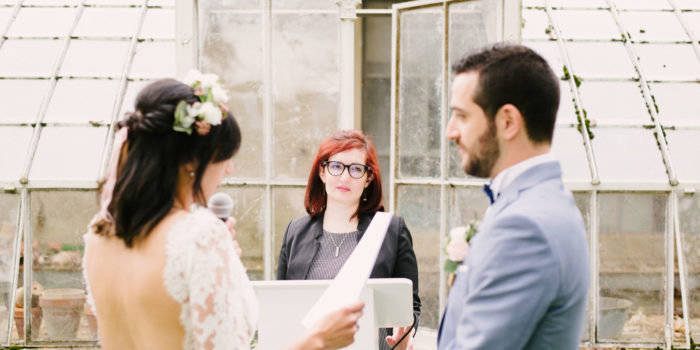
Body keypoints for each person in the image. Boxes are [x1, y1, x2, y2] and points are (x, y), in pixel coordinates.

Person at [83, 73, 364, 350]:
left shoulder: (99, 234)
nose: (229, 168)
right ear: (191, 160)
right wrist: (318, 339)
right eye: (222, 156)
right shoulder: (200, 236)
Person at [438, 43, 589, 349]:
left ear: (507, 122)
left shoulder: (524, 226)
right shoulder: (541, 202)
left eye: (461, 116)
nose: (450, 132)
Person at [276, 130, 420, 350]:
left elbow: (410, 305)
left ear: (368, 178)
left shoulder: (390, 230)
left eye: (355, 169)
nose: (344, 177)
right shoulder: (295, 232)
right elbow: (280, 303)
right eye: (336, 167)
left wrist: (404, 338)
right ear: (322, 172)